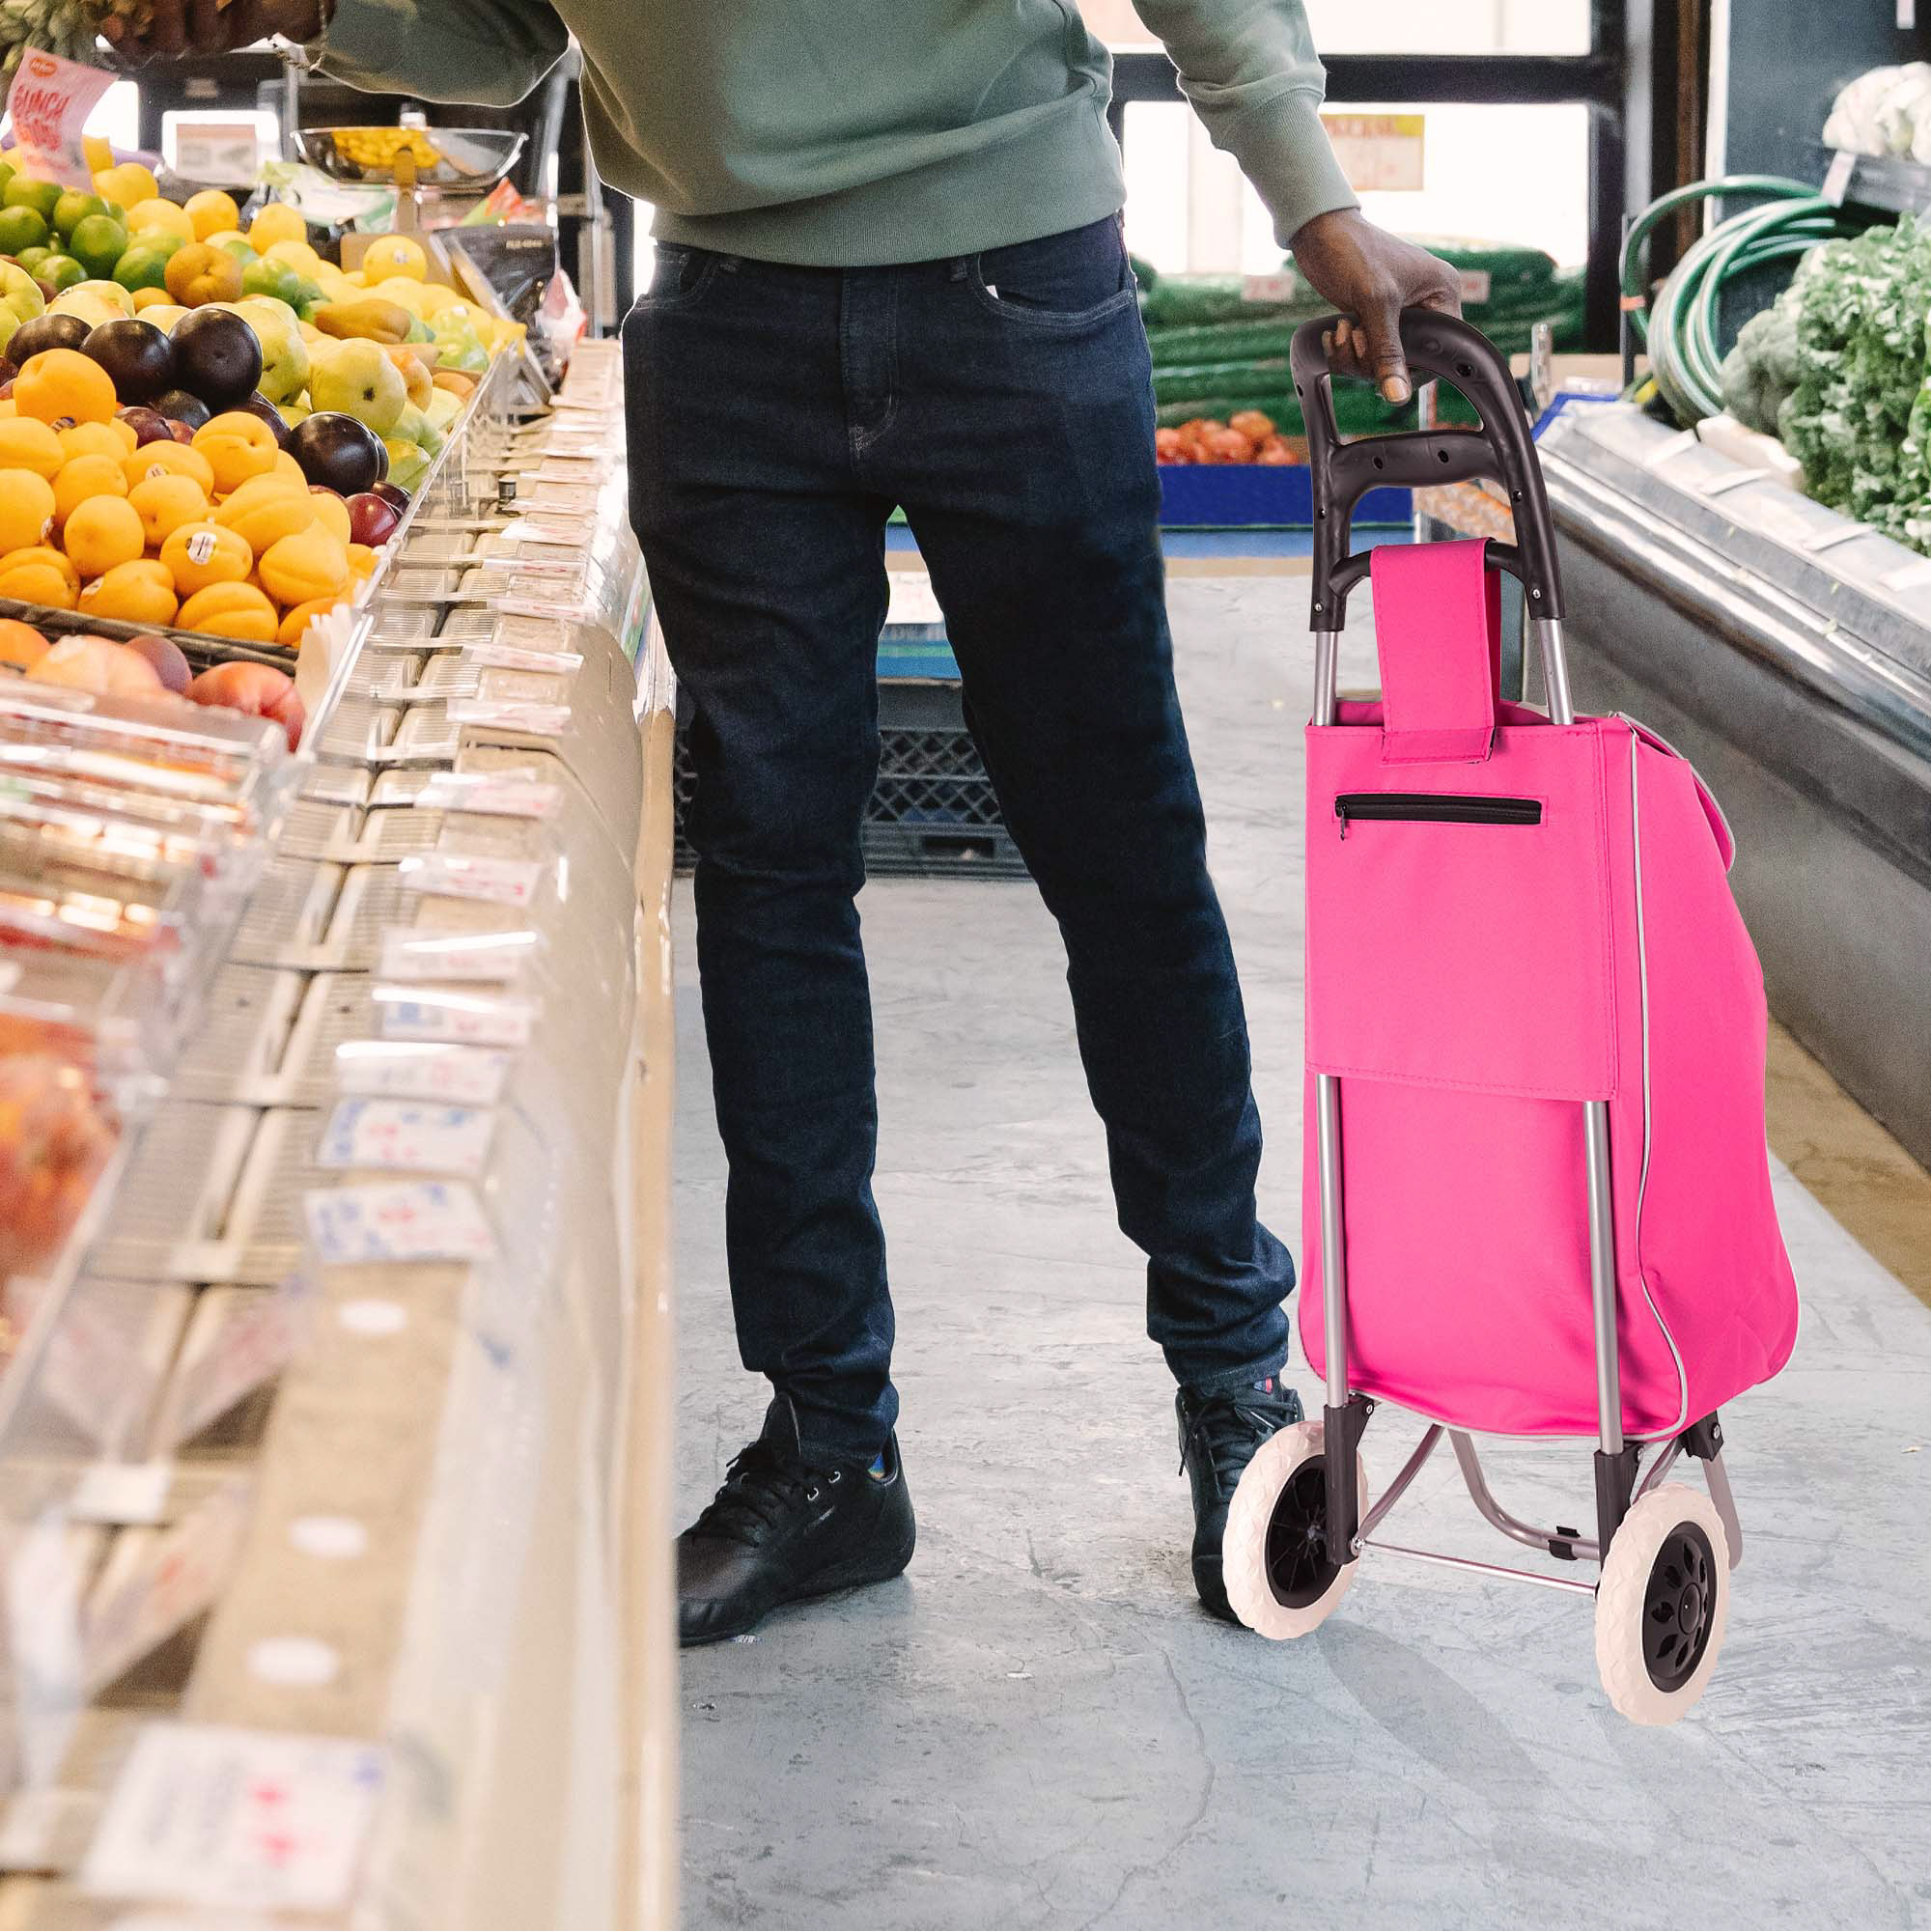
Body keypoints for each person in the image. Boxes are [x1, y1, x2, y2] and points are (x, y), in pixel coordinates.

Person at [131, 0, 1459, 1644]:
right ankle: (831, 1445)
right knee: (767, 881)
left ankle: (1236, 1377)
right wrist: (323, 13)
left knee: (1120, 857)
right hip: (726, 310)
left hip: (1013, 281)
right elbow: (501, 27)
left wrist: (1311, 196)